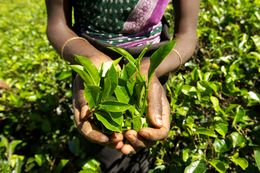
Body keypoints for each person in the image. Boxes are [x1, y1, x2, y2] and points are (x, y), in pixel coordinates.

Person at [45, 0, 200, 172]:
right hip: (89, 57)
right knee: (101, 143)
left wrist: (151, 70)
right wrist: (90, 58)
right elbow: (57, 25)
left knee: (143, 138)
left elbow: (187, 34)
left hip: (152, 62)